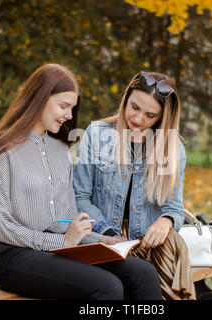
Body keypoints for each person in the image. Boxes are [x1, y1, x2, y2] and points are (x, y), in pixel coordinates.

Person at [0, 64, 161, 300]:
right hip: (13, 256)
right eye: (63, 106)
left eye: (72, 108)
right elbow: (0, 227)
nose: (70, 116)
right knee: (107, 286)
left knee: (143, 272)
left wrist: (103, 240)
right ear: (39, 98)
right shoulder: (2, 150)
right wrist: (60, 241)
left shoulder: (60, 149)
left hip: (60, 249)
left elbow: (67, 217)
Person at [73, 71, 196, 300]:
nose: (138, 119)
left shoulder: (172, 149)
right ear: (126, 99)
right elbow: (80, 197)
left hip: (148, 240)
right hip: (103, 234)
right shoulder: (97, 134)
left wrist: (165, 221)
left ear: (162, 117)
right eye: (134, 107)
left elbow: (174, 208)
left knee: (174, 242)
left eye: (150, 115)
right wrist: (107, 233)